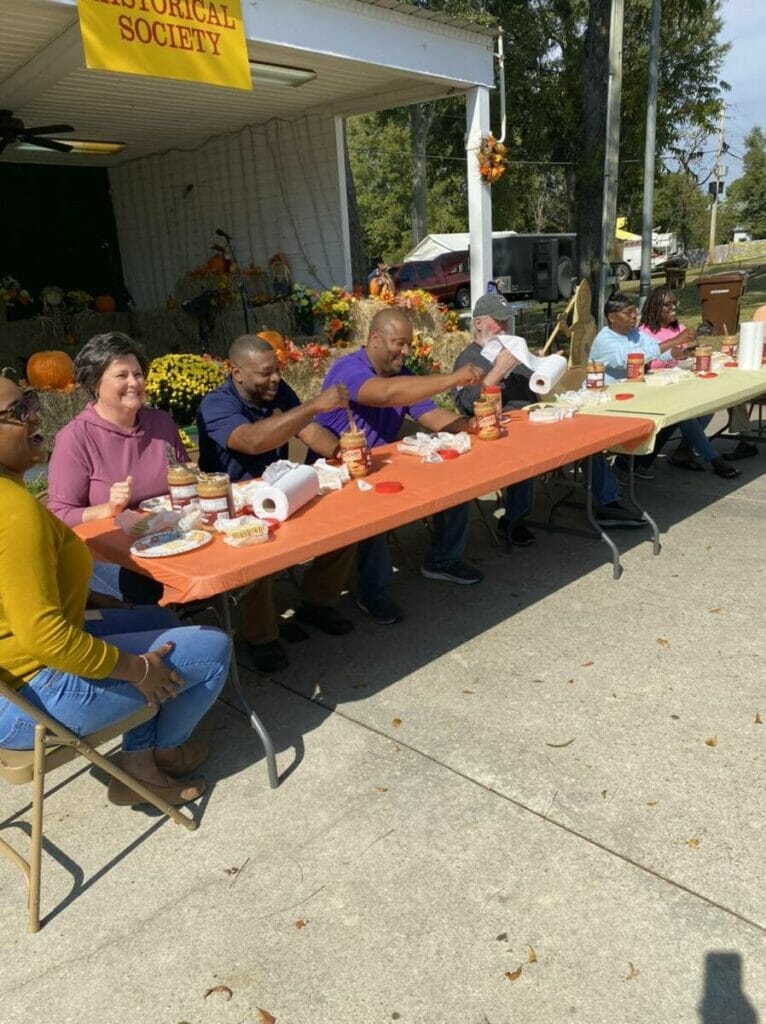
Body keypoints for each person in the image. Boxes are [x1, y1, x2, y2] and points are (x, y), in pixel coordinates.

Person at [0, 375, 231, 808]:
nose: (35, 415)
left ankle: (142, 755)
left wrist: (90, 600)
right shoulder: (12, 512)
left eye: (29, 401)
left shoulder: (10, 494)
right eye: (18, 412)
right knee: (213, 649)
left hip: (16, 680)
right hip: (26, 702)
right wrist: (137, 669)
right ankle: (156, 756)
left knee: (157, 619)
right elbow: (42, 636)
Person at [314, 308, 487, 625]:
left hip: (384, 465)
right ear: (376, 339)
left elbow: (432, 417)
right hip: (338, 471)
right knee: (374, 512)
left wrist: (473, 424)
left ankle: (443, 560)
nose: (405, 351)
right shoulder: (348, 370)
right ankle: (372, 592)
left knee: (456, 477)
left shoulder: (401, 372)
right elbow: (386, 395)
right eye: (399, 343)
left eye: (408, 344)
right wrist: (452, 378)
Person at [197, 335, 356, 673]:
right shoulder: (217, 404)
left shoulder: (278, 392)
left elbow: (308, 431)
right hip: (232, 508)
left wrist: (343, 452)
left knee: (345, 523)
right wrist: (313, 405)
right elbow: (252, 441)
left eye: (277, 371)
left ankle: (318, 601)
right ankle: (260, 637)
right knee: (258, 554)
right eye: (264, 374)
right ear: (236, 372)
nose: (275, 380)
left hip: (281, 492)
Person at [454, 293, 645, 533]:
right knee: (522, 452)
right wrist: (498, 371)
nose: (504, 326)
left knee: (587, 437)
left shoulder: (514, 347)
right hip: (503, 426)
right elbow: (466, 405)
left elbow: (538, 385)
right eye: (498, 320)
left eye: (507, 320)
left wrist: (546, 365)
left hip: (537, 416)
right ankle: (514, 519)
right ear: (479, 323)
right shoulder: (468, 358)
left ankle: (608, 503)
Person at [47, 332, 189, 603]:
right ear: (95, 383)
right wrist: (106, 509)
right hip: (108, 557)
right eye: (121, 376)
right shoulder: (76, 437)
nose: (134, 383)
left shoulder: (161, 423)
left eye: (137, 374)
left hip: (169, 540)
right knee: (149, 590)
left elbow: (184, 477)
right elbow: (58, 516)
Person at [590, 293, 739, 480]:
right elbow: (631, 359)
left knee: (688, 409)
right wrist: (675, 341)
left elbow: (658, 352)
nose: (634, 317)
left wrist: (682, 351)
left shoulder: (634, 334)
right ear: (611, 317)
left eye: (635, 312)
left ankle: (637, 462)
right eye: (628, 313)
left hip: (634, 394)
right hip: (608, 400)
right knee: (676, 414)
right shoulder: (605, 339)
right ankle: (713, 458)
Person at [640, 286, 757, 465]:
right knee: (687, 415)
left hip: (685, 381)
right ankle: (713, 458)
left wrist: (692, 351)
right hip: (660, 386)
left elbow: (684, 356)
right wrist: (678, 347)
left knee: (710, 404)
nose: (673, 308)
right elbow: (651, 361)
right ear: (654, 307)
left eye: (674, 303)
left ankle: (684, 450)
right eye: (667, 305)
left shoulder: (679, 328)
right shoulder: (644, 332)